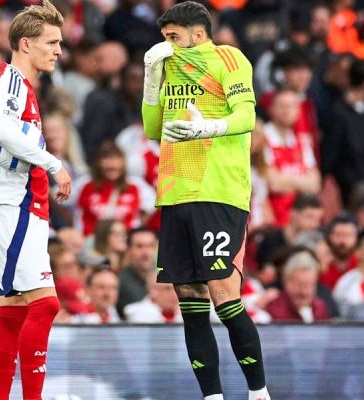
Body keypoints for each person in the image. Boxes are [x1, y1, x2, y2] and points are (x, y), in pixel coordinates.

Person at [141, 2, 269, 399]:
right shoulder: (169, 65)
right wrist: (151, 80)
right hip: (175, 192)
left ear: (197, 34)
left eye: (173, 37)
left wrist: (208, 128)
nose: (167, 44)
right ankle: (212, 396)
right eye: (164, 37)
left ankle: (259, 393)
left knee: (223, 293)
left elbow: (246, 116)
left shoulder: (228, 58)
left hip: (218, 190)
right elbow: (152, 129)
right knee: (190, 300)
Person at [0, 1, 71, 399]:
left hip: (22, 204)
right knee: (45, 306)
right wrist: (53, 164)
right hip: (14, 203)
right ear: (26, 44)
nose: (59, 51)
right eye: (52, 42)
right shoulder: (12, 82)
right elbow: (3, 131)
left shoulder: (22, 87)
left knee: (13, 311)